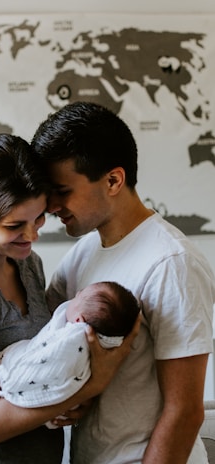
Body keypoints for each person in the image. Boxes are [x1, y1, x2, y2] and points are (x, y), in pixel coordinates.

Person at [0, 133, 139, 464]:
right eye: (15, 225)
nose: (32, 235)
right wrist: (91, 385)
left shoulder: (27, 263)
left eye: (38, 218)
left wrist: (67, 402)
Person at [31, 101, 215, 464]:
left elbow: (184, 413)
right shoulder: (84, 252)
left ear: (113, 180)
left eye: (62, 191)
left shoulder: (172, 263)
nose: (50, 206)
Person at [0, 281, 140, 423]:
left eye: (78, 297)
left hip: (33, 407)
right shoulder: (110, 338)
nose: (76, 294)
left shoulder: (73, 341)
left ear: (78, 320)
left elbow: (52, 359)